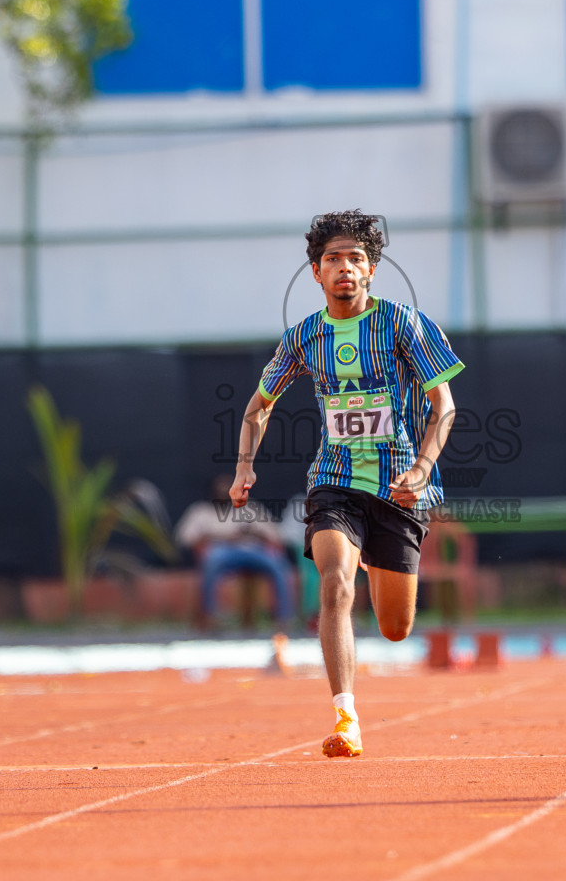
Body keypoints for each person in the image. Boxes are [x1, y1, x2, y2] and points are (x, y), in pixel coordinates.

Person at [231, 210, 462, 757]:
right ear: (316, 272)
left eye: (355, 258)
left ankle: (373, 555)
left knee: (396, 627)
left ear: (372, 270)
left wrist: (423, 468)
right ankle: (345, 717)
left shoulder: (405, 323)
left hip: (399, 487)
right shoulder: (304, 336)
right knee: (334, 583)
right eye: (332, 259)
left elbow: (444, 406)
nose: (344, 268)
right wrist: (245, 465)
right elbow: (257, 407)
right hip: (333, 481)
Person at [174, 475, 295, 630]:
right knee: (211, 561)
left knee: (278, 563)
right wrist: (219, 536)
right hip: (221, 550)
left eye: (228, 489)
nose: (224, 493)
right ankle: (209, 616)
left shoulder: (249, 508)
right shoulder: (201, 511)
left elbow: (275, 535)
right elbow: (184, 538)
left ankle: (284, 618)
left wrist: (254, 533)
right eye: (220, 489)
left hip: (252, 549)